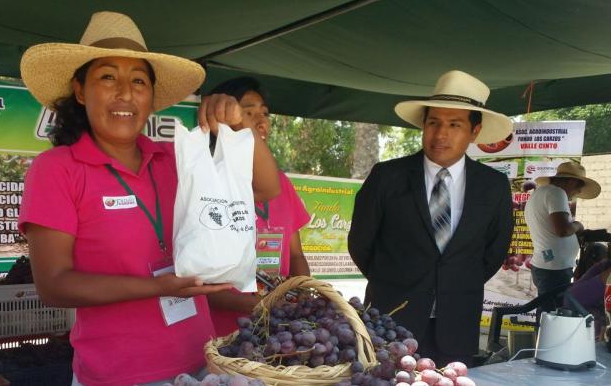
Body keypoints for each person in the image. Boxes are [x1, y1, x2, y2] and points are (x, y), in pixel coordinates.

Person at [17, 12, 281, 386]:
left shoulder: (175, 158)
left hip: (201, 369)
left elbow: (265, 187)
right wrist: (159, 287)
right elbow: (54, 284)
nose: (125, 93)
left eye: (138, 81)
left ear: (151, 96)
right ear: (81, 90)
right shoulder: (57, 169)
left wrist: (240, 124)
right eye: (108, 77)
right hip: (116, 384)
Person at [348, 70, 514, 367]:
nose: (441, 134)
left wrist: (453, 282)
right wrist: (395, 281)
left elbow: (493, 253)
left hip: (457, 326)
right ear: (423, 125)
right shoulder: (387, 177)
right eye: (434, 122)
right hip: (391, 323)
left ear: (474, 131)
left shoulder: (494, 186)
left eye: (454, 124)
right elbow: (361, 244)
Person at [204, 77, 312, 337]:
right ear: (221, 119)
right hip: (223, 334)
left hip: (278, 331)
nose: (260, 121)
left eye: (264, 113)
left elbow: (296, 255)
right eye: (248, 113)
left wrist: (302, 294)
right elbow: (198, 283)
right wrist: (258, 304)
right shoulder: (208, 182)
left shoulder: (281, 183)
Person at [524, 161, 601, 311]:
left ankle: (542, 334)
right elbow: (562, 230)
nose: (578, 192)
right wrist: (578, 225)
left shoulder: (540, 193)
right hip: (554, 269)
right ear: (572, 182)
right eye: (579, 187)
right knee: (552, 314)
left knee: (548, 311)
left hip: (547, 264)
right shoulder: (556, 193)